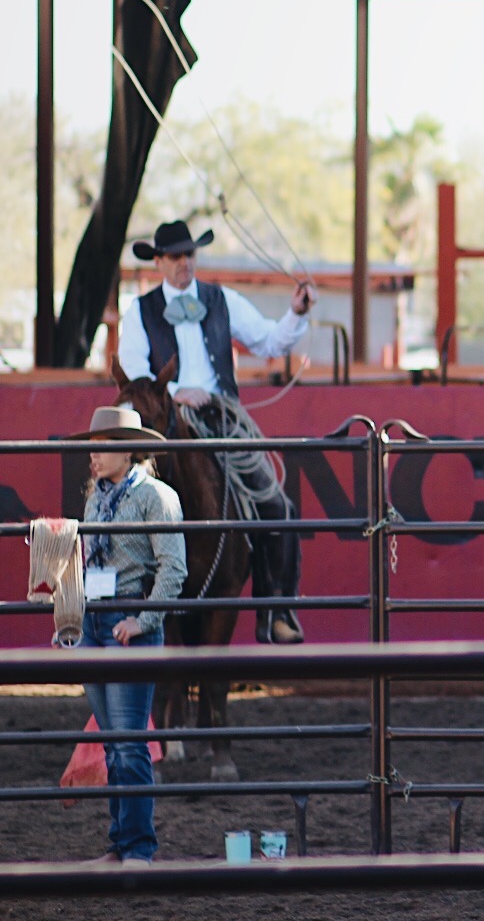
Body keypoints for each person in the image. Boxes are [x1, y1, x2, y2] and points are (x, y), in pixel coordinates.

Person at [117, 220, 312, 644]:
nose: (185, 263)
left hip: (224, 419)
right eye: (175, 256)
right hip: (165, 422)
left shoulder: (222, 300)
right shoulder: (138, 312)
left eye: (190, 255)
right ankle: (123, 602)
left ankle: (277, 611)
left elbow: (269, 341)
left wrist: (295, 313)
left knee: (275, 504)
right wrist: (174, 391)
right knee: (122, 501)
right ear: (159, 263)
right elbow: (134, 372)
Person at [68, 404, 187, 865]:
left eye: (102, 447)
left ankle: (136, 847)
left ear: (127, 450)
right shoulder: (96, 496)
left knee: (127, 740)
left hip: (125, 623)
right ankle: (123, 844)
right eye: (92, 448)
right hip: (97, 621)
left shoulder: (156, 497)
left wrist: (143, 620)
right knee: (115, 741)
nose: (94, 457)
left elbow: (174, 569)